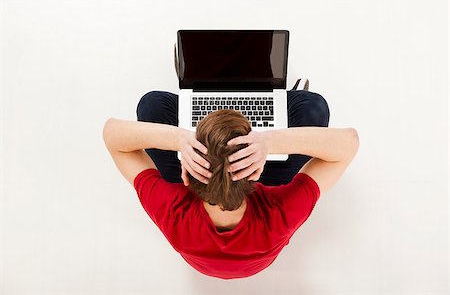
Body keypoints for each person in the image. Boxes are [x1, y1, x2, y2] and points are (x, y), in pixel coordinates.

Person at [102, 89, 359, 280]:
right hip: (257, 230)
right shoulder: (279, 215)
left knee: (153, 103)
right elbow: (349, 143)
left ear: (186, 176)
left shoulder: (174, 212)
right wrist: (269, 143)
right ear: (258, 173)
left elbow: (112, 135)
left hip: (199, 226)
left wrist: (180, 140)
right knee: (311, 105)